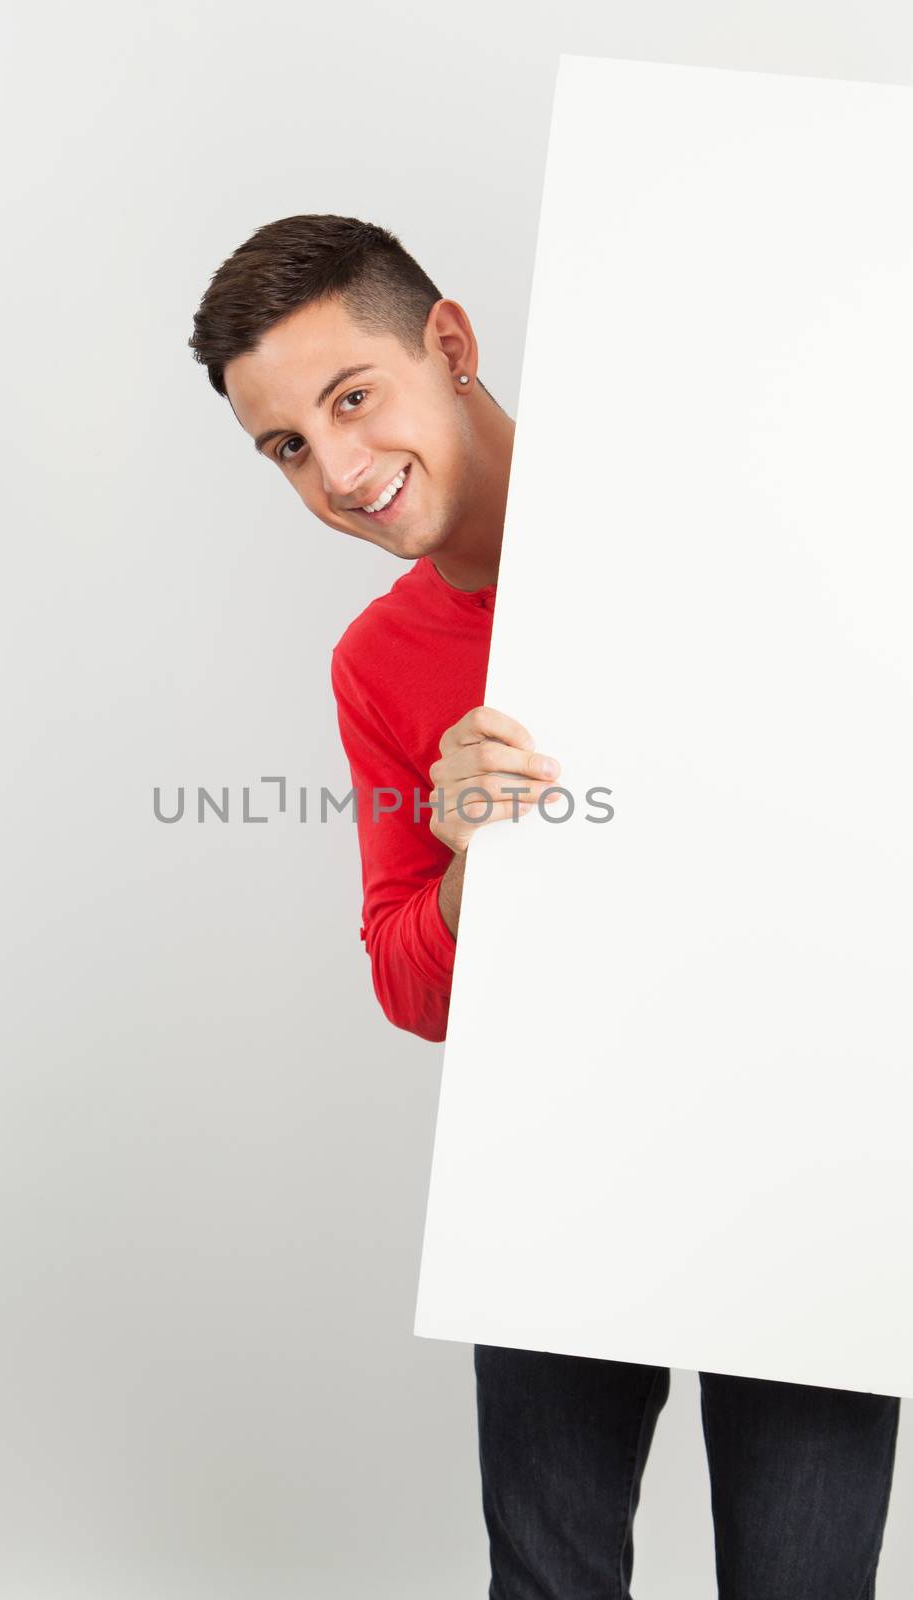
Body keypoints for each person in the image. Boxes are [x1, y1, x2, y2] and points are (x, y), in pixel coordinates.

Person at [187, 213, 900, 1598]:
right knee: (549, 1578)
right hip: (558, 1162)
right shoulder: (379, 661)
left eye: (350, 398)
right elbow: (409, 987)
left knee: (805, 1580)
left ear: (448, 345)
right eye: (285, 447)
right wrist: (463, 854)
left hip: (810, 1144)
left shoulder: (730, 503)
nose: (335, 469)